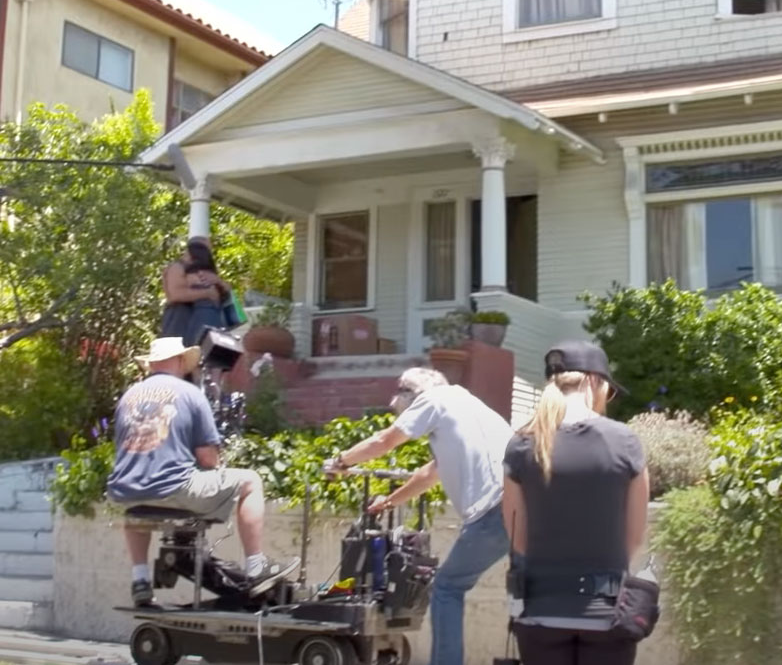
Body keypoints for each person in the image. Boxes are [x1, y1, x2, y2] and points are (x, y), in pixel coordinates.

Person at [324, 366, 514, 665]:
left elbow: (384, 441)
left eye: (397, 394)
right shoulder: (466, 405)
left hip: (492, 510)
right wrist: (390, 501)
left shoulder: (433, 399)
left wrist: (339, 461)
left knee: (447, 588)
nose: (392, 404)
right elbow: (430, 473)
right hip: (526, 509)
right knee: (530, 588)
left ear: (412, 393)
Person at [107, 336, 297, 607]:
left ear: (151, 364)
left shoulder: (128, 397)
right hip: (175, 488)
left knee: (138, 504)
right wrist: (219, 465)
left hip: (125, 490)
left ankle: (139, 579)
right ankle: (256, 566)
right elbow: (208, 459)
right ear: (181, 360)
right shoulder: (190, 394)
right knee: (250, 481)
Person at [501, 340, 650, 665]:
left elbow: (518, 538)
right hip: (607, 613)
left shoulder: (522, 445)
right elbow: (635, 536)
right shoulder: (624, 442)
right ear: (595, 382)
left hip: (539, 610)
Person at [160, 237, 234, 347]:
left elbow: (228, 295)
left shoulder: (204, 270)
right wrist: (207, 293)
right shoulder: (177, 267)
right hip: (179, 321)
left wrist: (218, 281)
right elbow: (175, 295)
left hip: (205, 321)